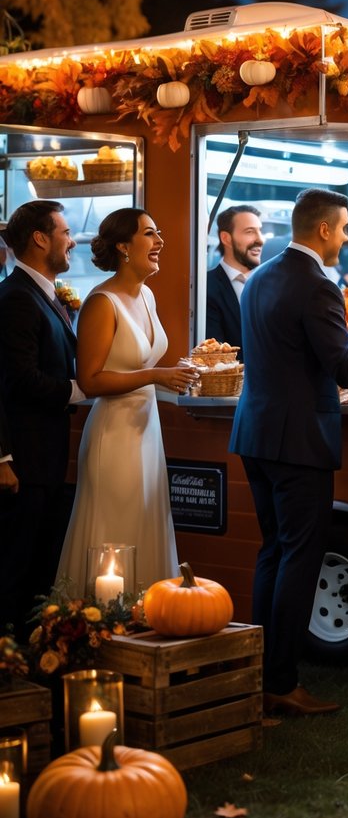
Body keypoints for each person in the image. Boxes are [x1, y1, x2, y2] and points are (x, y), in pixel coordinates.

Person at [229, 188, 348, 716]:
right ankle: (282, 684)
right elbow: (346, 368)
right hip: (298, 440)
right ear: (326, 230)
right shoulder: (316, 285)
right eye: (345, 227)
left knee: (274, 552)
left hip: (256, 432)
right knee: (299, 557)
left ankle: (262, 671)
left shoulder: (262, 275)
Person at [56, 209, 200, 596]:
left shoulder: (146, 295)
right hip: (114, 436)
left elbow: (144, 363)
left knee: (147, 521)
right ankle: (99, 624)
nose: (160, 242)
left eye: (159, 233)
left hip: (146, 431)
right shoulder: (102, 302)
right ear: (123, 246)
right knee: (115, 528)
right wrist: (157, 375)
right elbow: (90, 379)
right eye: (150, 234)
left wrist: (180, 373)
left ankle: (148, 619)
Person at [0, 201, 81, 638]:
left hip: (46, 457)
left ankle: (30, 655)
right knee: (15, 565)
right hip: (25, 459)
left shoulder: (44, 294)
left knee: (39, 564)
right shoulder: (15, 298)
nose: (71, 241)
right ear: (39, 238)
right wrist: (80, 389)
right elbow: (19, 380)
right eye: (65, 232)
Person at [205, 206, 263, 356]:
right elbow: (215, 354)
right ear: (226, 238)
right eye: (250, 232)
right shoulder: (205, 288)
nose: (260, 239)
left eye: (260, 231)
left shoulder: (274, 285)